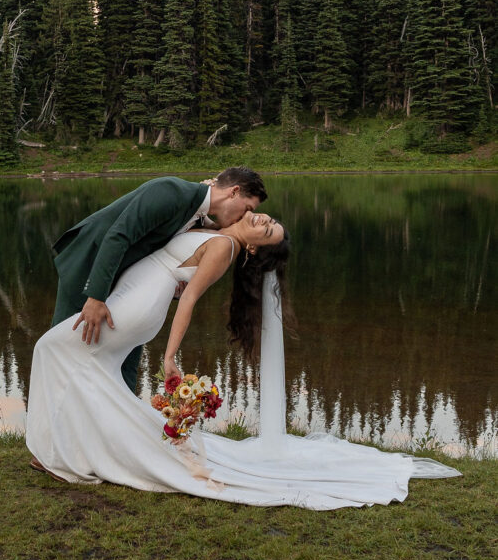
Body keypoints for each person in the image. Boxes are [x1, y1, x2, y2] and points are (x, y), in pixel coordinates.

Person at [26, 213, 461, 508]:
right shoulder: (218, 232)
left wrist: (172, 354)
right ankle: (68, 450)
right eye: (269, 219)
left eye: (268, 230)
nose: (265, 220)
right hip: (139, 300)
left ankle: (63, 453)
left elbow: (190, 300)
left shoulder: (224, 249)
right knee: (82, 370)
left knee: (51, 350)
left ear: (254, 251)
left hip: (137, 309)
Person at [49, 167, 266, 392]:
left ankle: (120, 425)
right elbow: (118, 236)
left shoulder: (197, 213)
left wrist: (174, 285)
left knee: (125, 369)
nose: (244, 216)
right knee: (60, 351)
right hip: (89, 266)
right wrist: (95, 296)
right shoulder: (170, 191)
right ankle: (55, 422)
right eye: (247, 208)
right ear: (234, 192)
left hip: (127, 288)